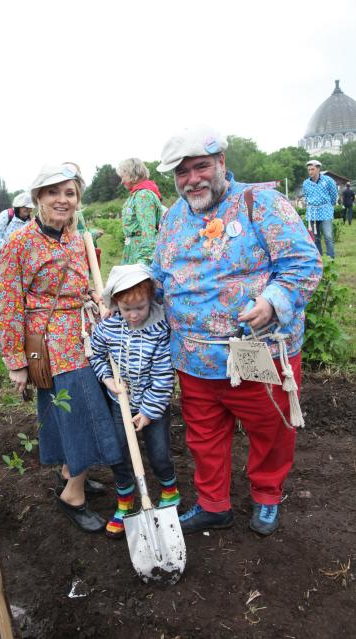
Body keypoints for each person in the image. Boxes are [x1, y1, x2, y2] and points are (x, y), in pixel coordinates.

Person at [153, 126, 323, 536]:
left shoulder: (261, 203)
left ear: (222, 163)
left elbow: (304, 264)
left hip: (256, 351)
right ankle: (214, 504)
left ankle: (266, 495)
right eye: (182, 172)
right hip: (193, 356)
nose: (192, 179)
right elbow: (162, 274)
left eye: (201, 167)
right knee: (203, 436)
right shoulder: (173, 218)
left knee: (270, 430)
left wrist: (272, 302)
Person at [0, 162, 123, 533]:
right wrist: (15, 361)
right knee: (80, 411)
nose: (62, 200)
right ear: (38, 197)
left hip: (84, 333)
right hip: (48, 342)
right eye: (53, 192)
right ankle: (73, 494)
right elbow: (8, 302)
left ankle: (71, 470)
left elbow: (84, 283)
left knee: (65, 409)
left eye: (69, 193)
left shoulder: (74, 234)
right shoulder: (19, 242)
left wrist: (101, 303)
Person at [89, 264, 180, 538]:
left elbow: (164, 376)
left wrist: (150, 412)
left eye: (140, 307)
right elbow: (96, 354)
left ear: (150, 299)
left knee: (158, 452)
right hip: (121, 403)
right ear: (116, 303)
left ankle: (169, 490)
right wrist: (107, 379)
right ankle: (126, 501)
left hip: (154, 405)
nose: (134, 315)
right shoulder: (109, 327)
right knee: (118, 452)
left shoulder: (160, 330)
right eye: (127, 309)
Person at [116, 158, 164, 266]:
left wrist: (143, 263)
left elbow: (148, 232)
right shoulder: (137, 194)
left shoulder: (143, 196)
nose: (122, 181)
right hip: (133, 251)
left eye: (123, 177)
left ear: (133, 174)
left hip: (140, 255)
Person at [0, 191, 33, 274]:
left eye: (29, 208)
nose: (28, 210)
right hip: (0, 257)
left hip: (18, 260)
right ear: (18, 207)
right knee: (3, 282)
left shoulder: (30, 221)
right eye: (25, 207)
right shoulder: (6, 215)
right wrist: (10, 251)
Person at [302, 159, 338, 258]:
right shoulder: (306, 183)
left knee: (328, 236)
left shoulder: (328, 180)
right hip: (312, 212)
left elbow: (334, 194)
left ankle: (331, 258)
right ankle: (320, 258)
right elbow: (306, 196)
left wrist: (329, 205)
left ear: (318, 169)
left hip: (325, 211)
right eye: (309, 170)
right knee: (316, 238)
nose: (310, 172)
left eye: (312, 169)